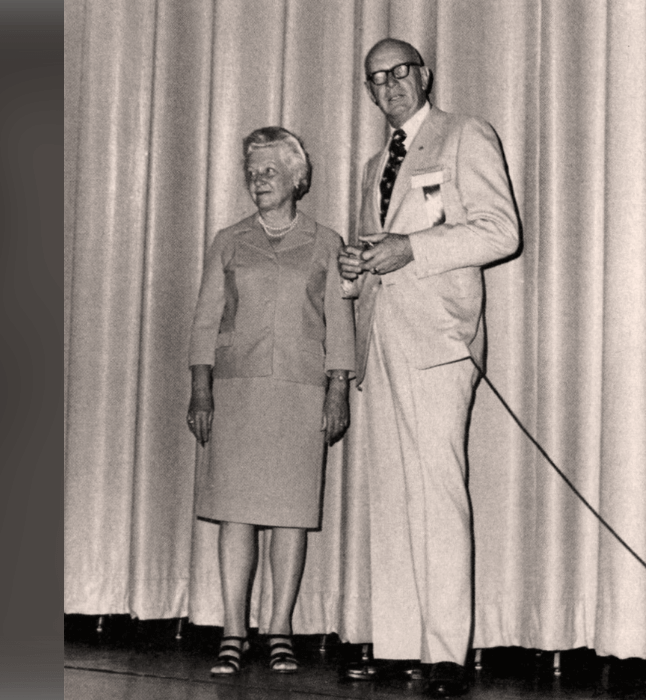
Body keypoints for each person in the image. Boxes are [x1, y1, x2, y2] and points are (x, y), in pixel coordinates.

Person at [336, 38, 521, 698]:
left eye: (398, 73)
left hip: (441, 344)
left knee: (438, 495)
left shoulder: (464, 135)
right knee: (390, 495)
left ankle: (445, 653)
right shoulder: (371, 164)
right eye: (375, 80)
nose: (388, 86)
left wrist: (410, 247)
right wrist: (356, 270)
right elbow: (375, 253)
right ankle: (396, 645)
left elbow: (501, 231)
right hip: (380, 344)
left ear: (425, 75)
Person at [188, 126, 355, 676]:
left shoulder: (327, 241)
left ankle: (280, 628)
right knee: (236, 512)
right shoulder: (229, 240)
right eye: (252, 171)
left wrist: (337, 389)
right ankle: (234, 630)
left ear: (296, 178)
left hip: (303, 392)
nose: (258, 180)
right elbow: (206, 318)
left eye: (269, 171)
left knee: (289, 514)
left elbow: (340, 322)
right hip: (236, 390)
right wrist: (201, 386)